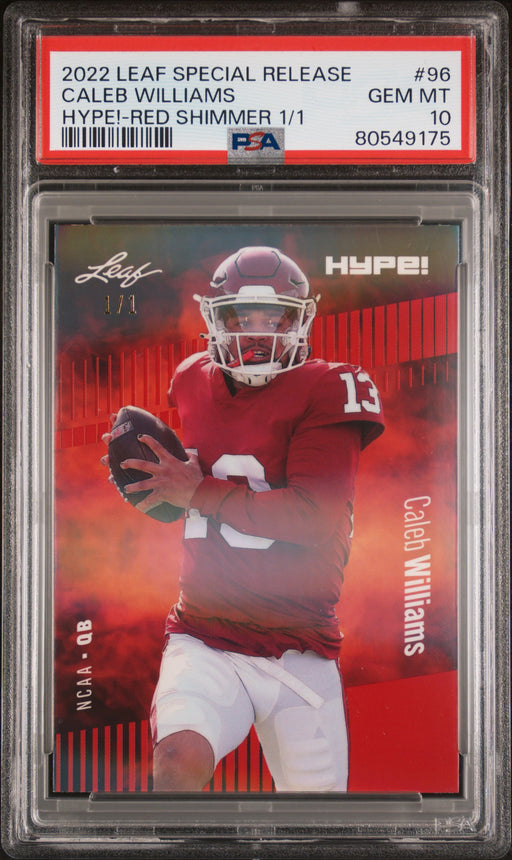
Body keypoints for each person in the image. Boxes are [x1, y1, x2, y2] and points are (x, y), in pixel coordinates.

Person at [101, 246, 384, 792]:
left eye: (273, 318)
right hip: (203, 635)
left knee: (316, 825)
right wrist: (158, 486)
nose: (257, 333)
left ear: (300, 321)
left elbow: (312, 517)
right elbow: (191, 498)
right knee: (177, 761)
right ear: (214, 320)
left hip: (300, 647)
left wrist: (196, 491)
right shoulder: (190, 379)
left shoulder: (331, 386)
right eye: (240, 318)